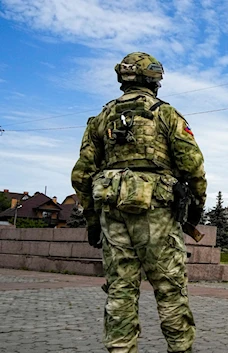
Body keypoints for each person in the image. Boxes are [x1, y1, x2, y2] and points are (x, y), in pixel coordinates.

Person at [71, 52, 207, 353]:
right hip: (155, 212)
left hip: (111, 211)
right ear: (155, 81)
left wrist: (93, 222)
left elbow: (82, 174)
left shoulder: (102, 118)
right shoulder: (166, 114)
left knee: (120, 290)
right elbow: (193, 165)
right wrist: (196, 208)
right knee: (170, 288)